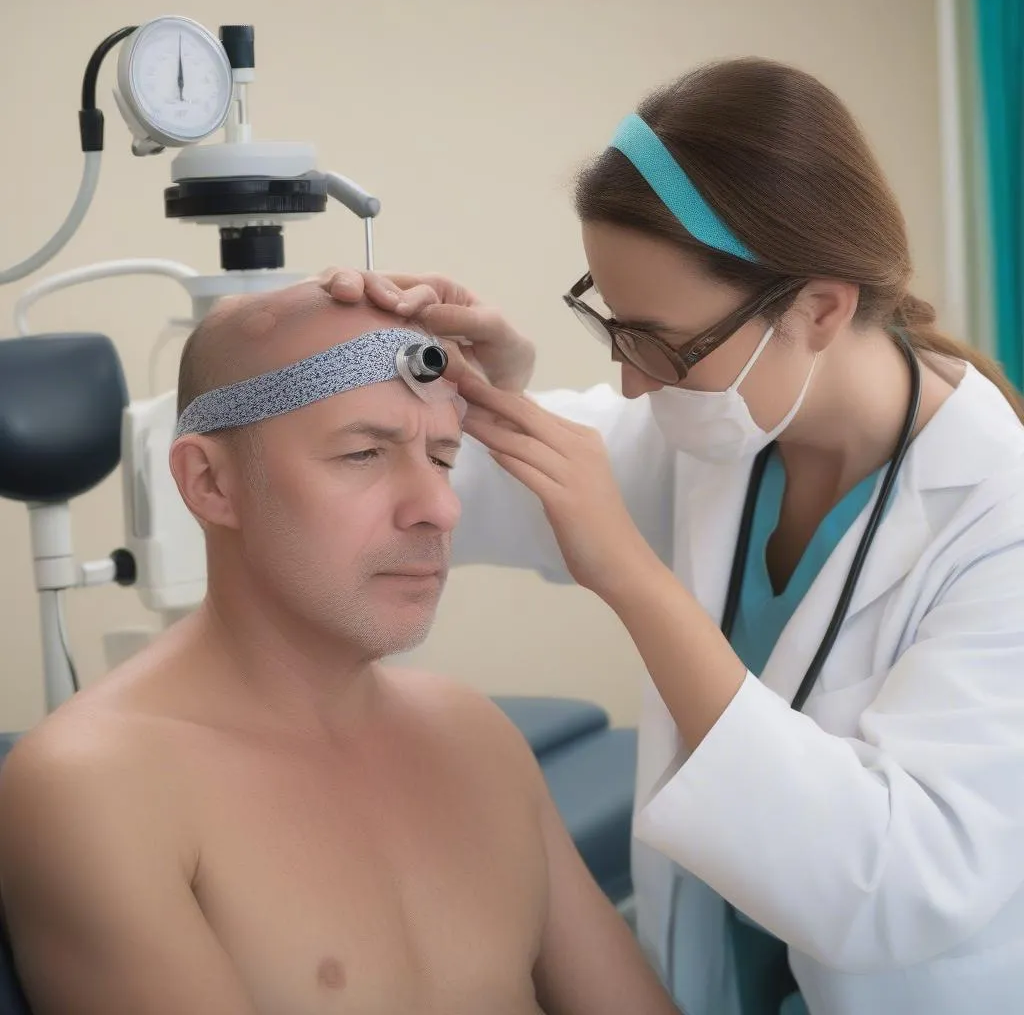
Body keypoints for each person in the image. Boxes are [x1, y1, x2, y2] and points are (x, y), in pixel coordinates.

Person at [319, 56, 1024, 1015]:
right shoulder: (724, 429)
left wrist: (634, 581)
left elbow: (895, 885)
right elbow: (469, 482)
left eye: (662, 341)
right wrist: (472, 398)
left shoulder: (997, 524)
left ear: (819, 307)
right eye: (615, 326)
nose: (631, 385)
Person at [0, 283, 681, 1015]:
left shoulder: (474, 735)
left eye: (445, 457)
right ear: (210, 482)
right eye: (363, 453)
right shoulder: (102, 787)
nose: (442, 507)